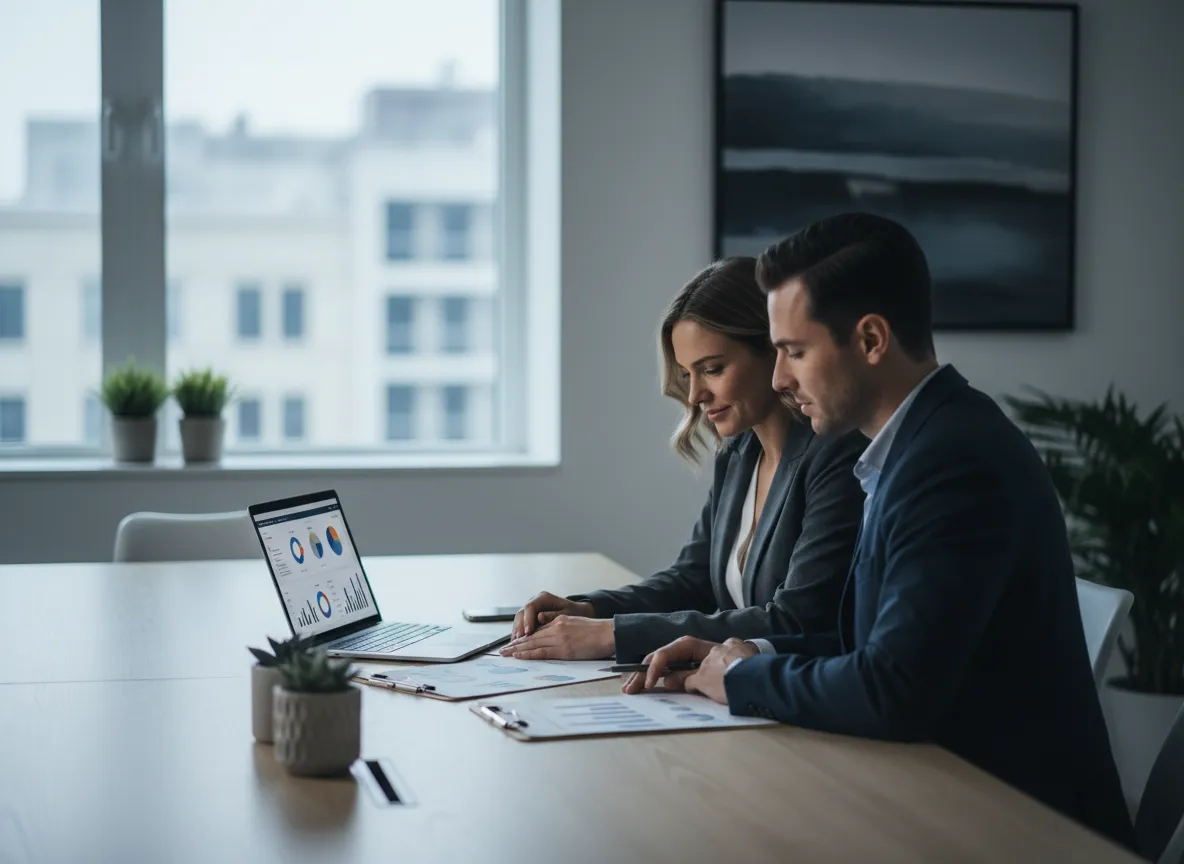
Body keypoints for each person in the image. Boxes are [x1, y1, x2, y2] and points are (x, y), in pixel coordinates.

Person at [625, 213, 1135, 848]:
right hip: (941, 791)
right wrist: (748, 653)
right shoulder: (914, 447)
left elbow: (893, 690)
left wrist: (740, 679)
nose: (780, 379)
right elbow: (874, 649)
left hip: (1018, 825)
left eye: (795, 352)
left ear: (870, 340)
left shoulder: (952, 461)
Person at [501, 257, 867, 663]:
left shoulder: (836, 457)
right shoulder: (740, 453)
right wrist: (590, 609)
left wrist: (613, 636)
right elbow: (693, 579)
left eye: (712, 369)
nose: (695, 396)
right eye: (688, 374)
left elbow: (796, 620)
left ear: (773, 351)